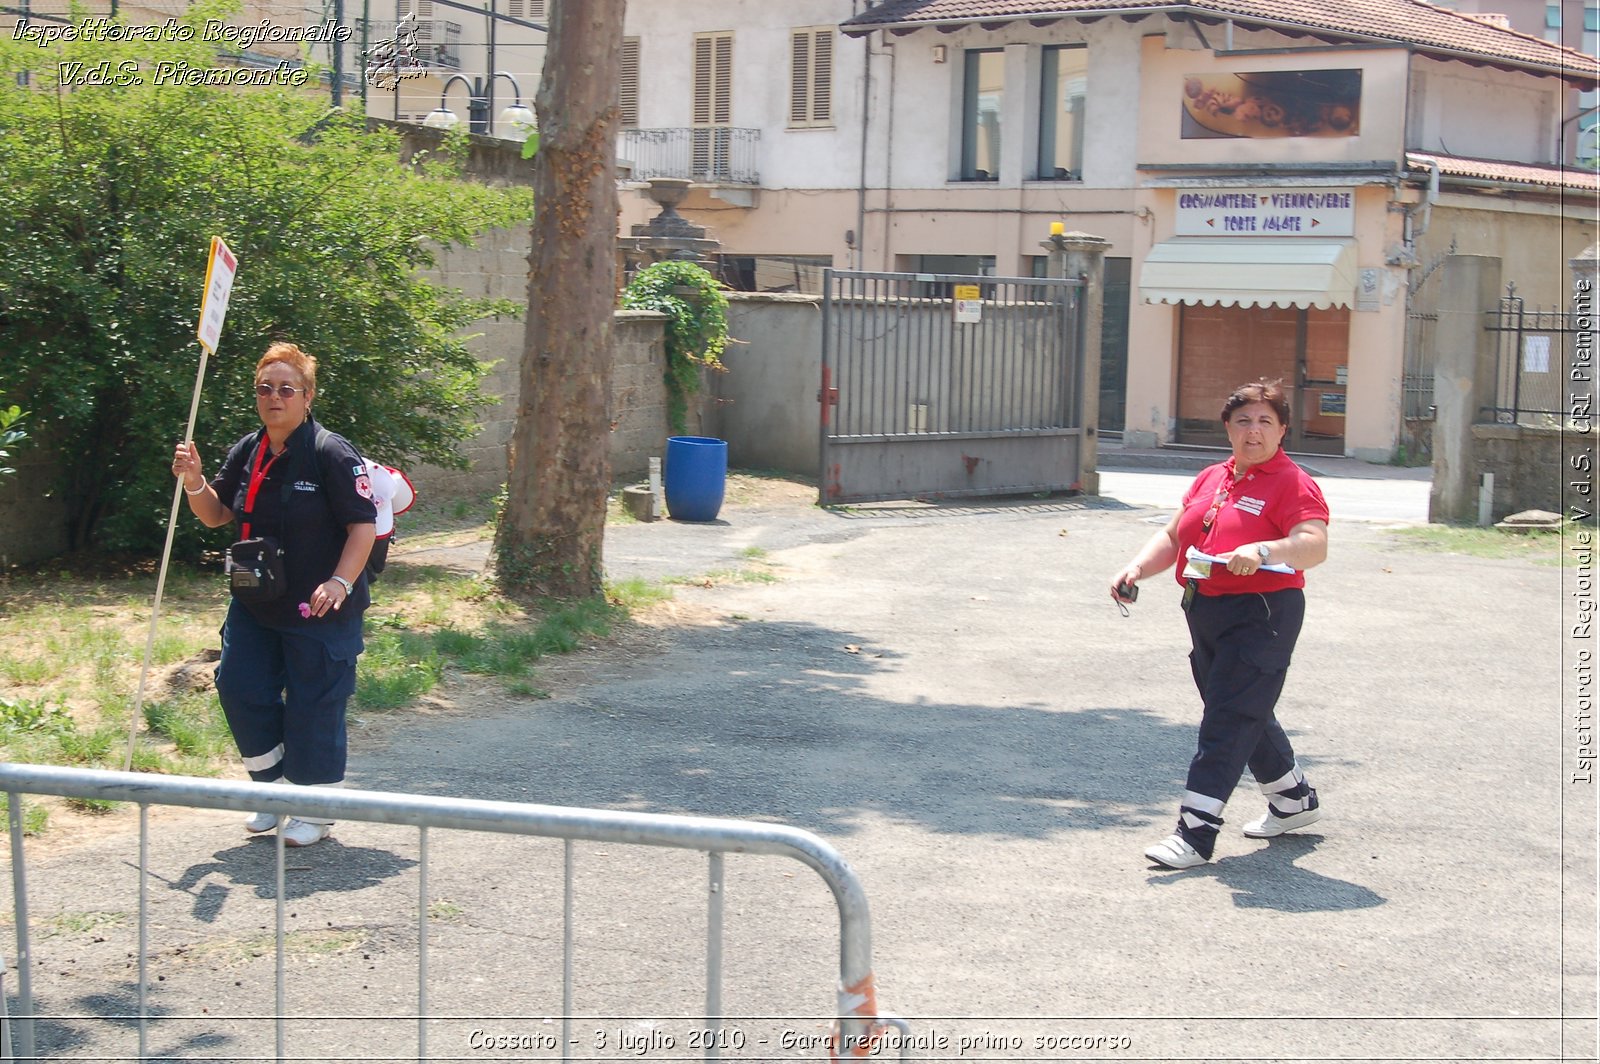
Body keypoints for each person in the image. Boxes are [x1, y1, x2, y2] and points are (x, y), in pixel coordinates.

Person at [1109, 379, 1330, 870]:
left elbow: (1314, 543)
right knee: (1242, 708)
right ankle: (1293, 801)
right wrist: (1137, 568)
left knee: (1227, 718)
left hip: (1263, 612)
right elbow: (1174, 534)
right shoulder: (1213, 476)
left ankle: (1195, 833)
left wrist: (1265, 549)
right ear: (1228, 428)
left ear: (1283, 430)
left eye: (1265, 422)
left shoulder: (1293, 482)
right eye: (1243, 421)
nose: (1254, 431)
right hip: (1205, 609)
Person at [173, 342, 377, 848]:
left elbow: (363, 527)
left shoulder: (331, 452)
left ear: (307, 396)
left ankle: (316, 807)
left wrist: (340, 582)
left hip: (319, 605)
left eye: (287, 388)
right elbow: (218, 513)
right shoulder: (248, 449)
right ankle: (273, 789)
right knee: (238, 687)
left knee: (314, 703)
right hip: (256, 600)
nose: (274, 397)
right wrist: (195, 481)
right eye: (265, 388)